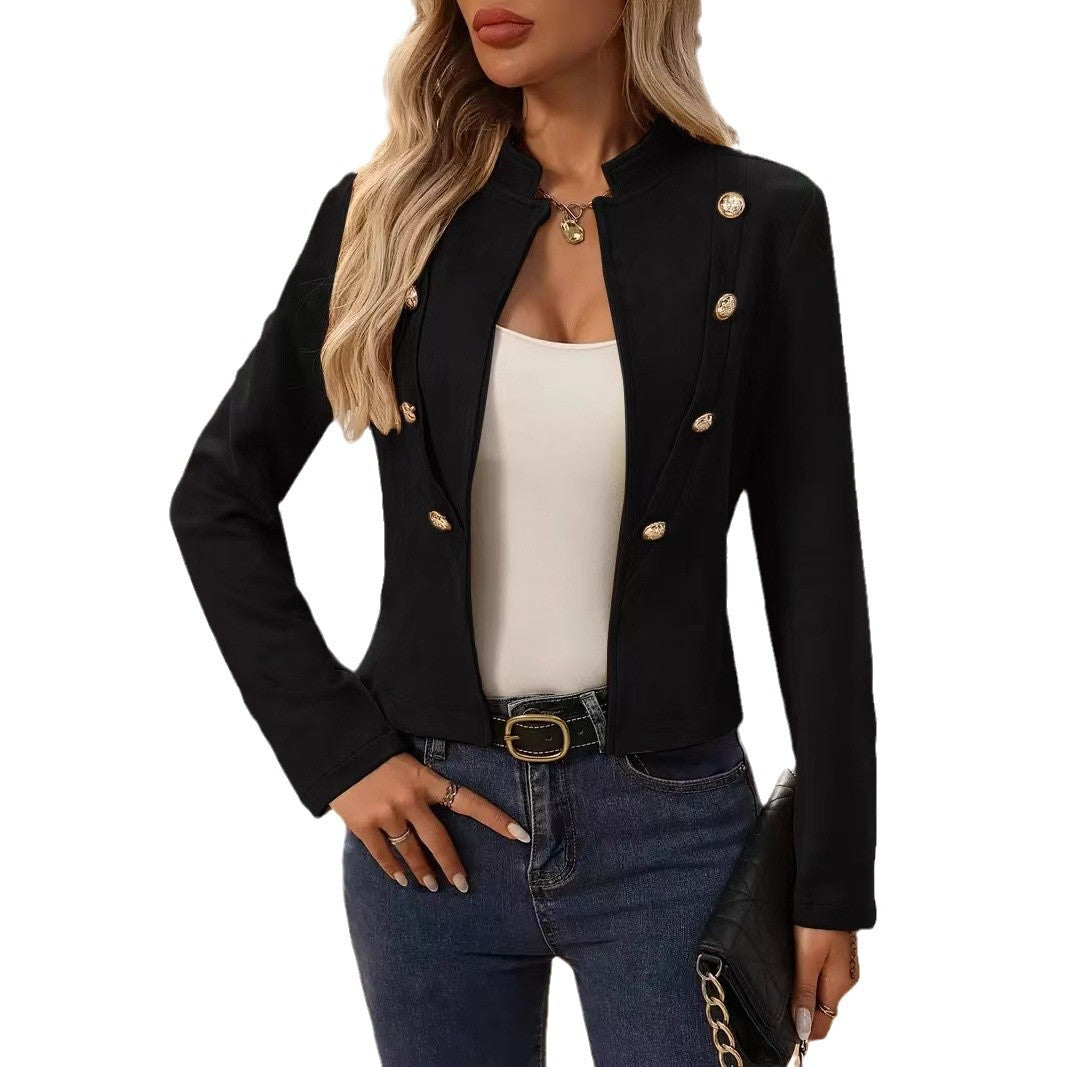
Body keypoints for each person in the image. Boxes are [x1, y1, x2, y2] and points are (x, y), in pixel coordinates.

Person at [170, 2, 876, 1063]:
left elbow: (814, 562)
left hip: (672, 830)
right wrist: (340, 753)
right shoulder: (383, 213)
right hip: (429, 833)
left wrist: (832, 874)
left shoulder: (759, 218)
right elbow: (218, 496)